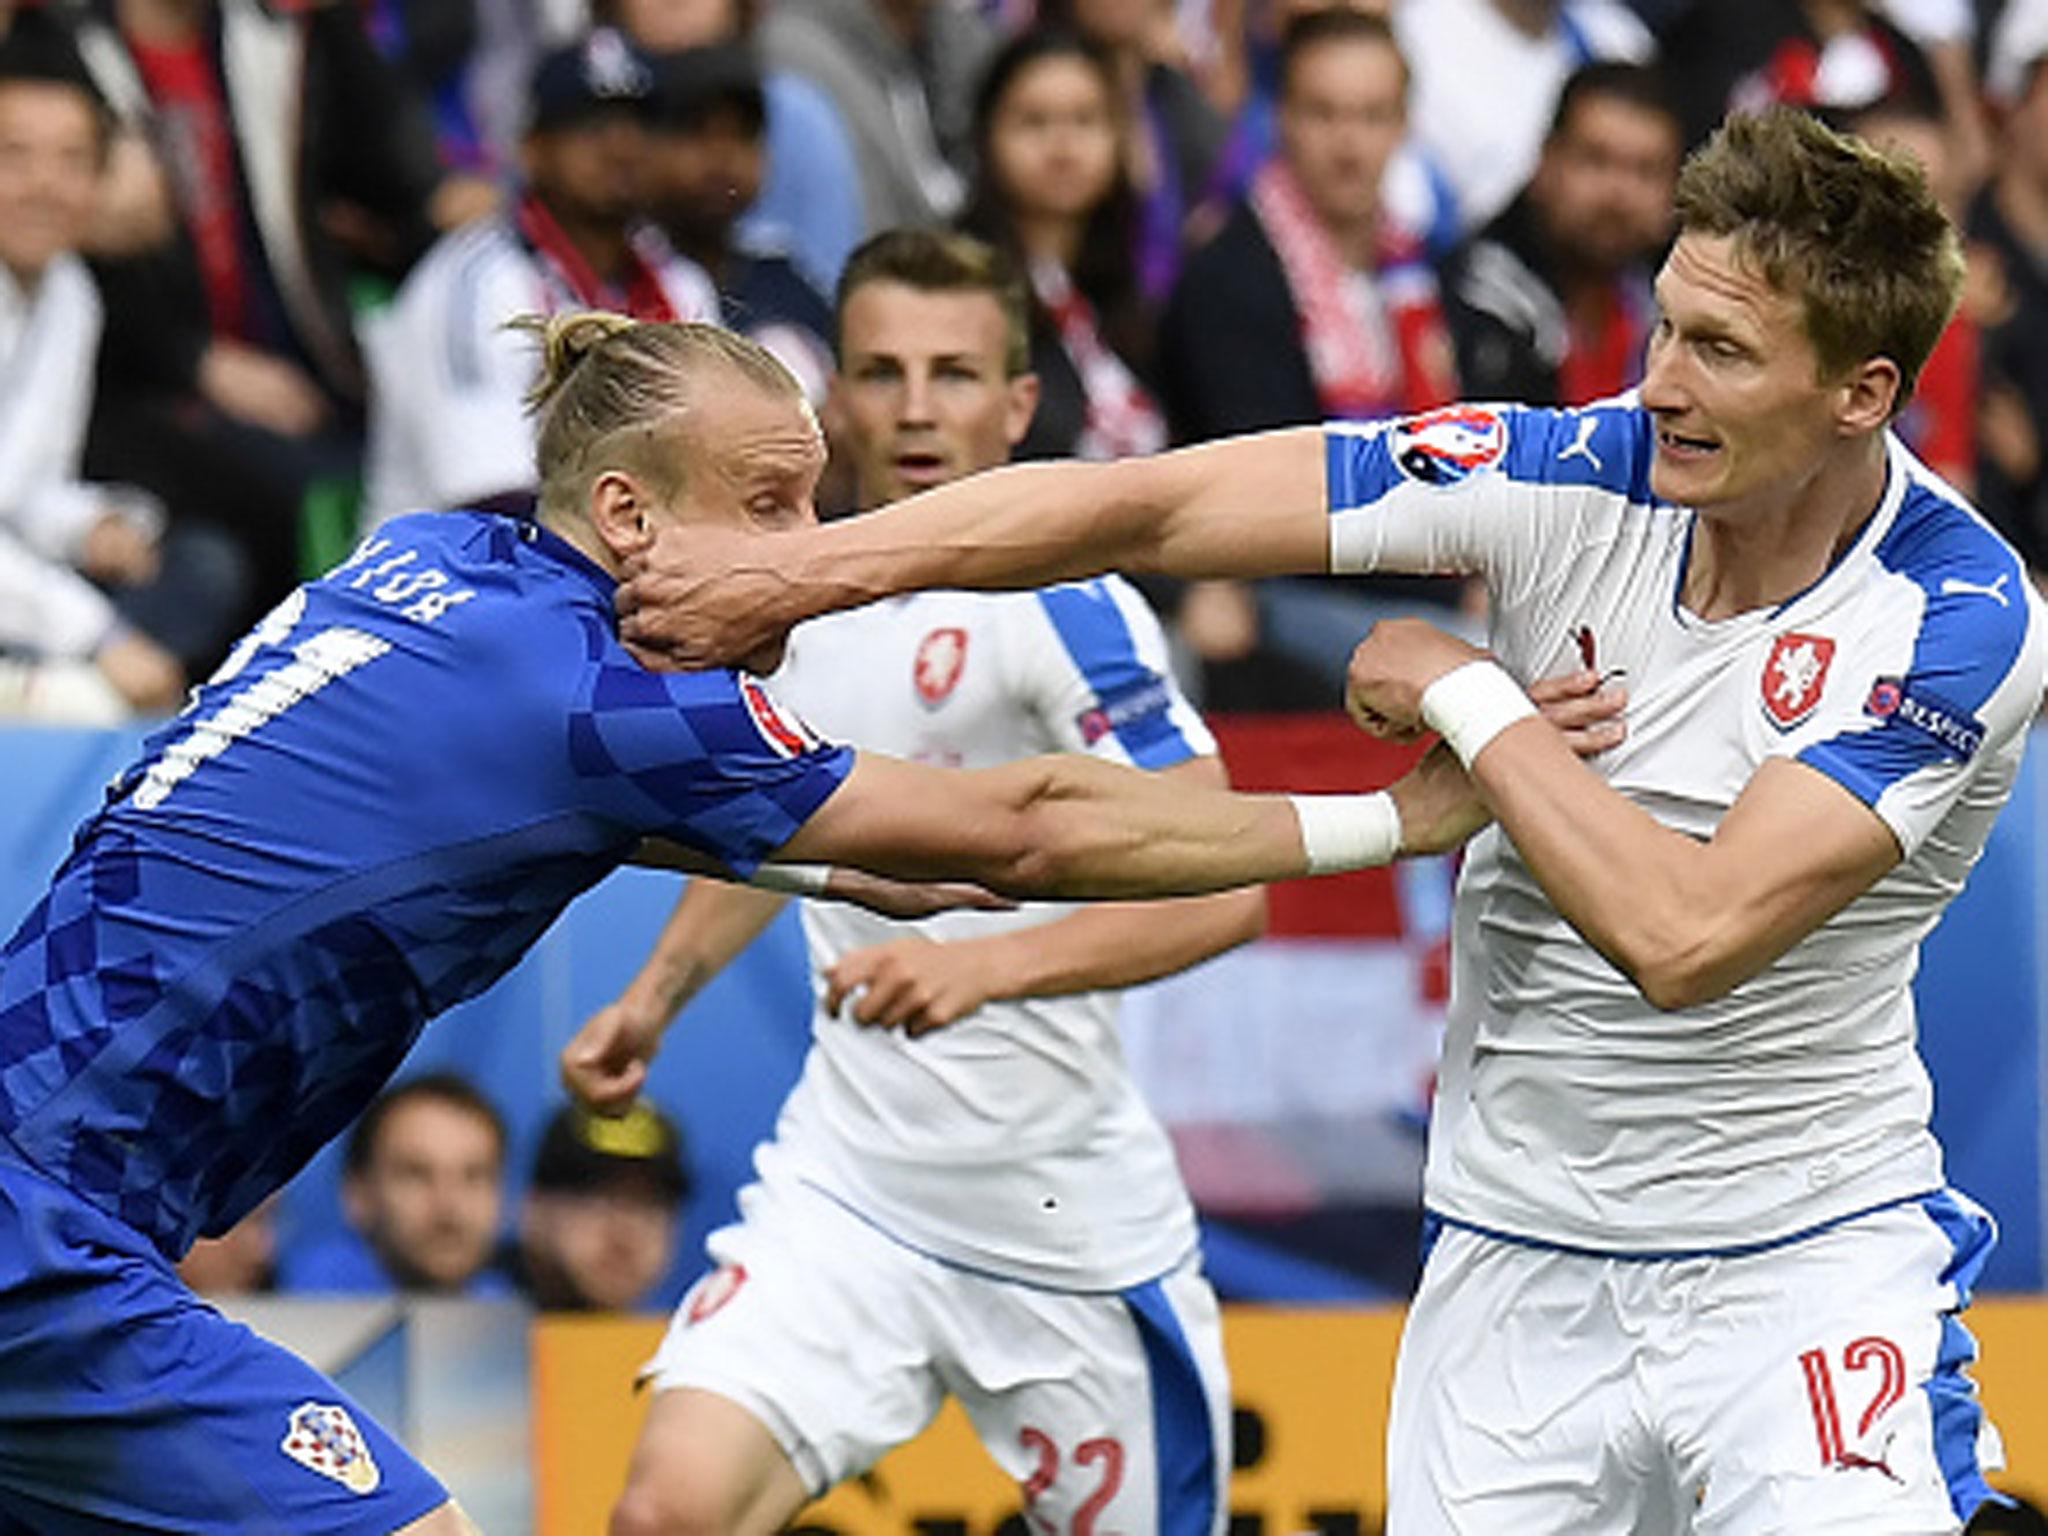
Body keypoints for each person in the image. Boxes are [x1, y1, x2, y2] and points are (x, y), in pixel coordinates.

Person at [617, 108, 2043, 1531]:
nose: (1658, 383)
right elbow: (1151, 507)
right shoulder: (1564, 467)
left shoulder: (1956, 619)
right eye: (1665, 327)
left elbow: (1687, 933)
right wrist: (803, 577)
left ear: (1863, 394)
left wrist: (1465, 691)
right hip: (1514, 1262)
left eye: (1720, 353)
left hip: (1800, 1264)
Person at [0, 306, 1490, 1533]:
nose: (814, 546)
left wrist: (827, 885)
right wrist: (1397, 821)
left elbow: (822, 851)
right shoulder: (614, 704)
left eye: (815, 499)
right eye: (771, 505)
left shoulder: (431, 561)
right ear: (630, 513)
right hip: (44, 1237)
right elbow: (1025, 827)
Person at [576, 227, 1260, 1536]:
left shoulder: (1069, 604)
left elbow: (1223, 885)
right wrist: (654, 996)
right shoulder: (784, 606)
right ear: (835, 401)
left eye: (955, 374)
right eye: (883, 371)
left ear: (1017, 405)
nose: (916, 406)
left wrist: (983, 966)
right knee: (665, 1514)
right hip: (851, 1190)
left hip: (1064, 1220)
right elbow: (789, 827)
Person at [363, 27, 720, 527]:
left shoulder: (682, 285)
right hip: (455, 576)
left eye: (638, 125)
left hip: (627, 568)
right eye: (591, 125)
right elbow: (488, 497)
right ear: (531, 149)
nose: (621, 147)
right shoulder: (476, 281)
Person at [959, 29, 1167, 465]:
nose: (1062, 147)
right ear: (986, 133)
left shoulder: (1125, 290)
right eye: (1034, 122)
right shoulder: (957, 286)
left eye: (1085, 120)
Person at [1440, 60, 1681, 408]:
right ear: (1546, 163)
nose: (1619, 195)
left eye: (1646, 171)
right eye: (1597, 161)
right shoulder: (1472, 301)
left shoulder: (1676, 307)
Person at [644, 42, 835, 405]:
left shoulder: (786, 280)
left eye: (742, 134)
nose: (722, 157)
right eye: (696, 132)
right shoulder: (623, 281)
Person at [280, 1074, 514, 1296]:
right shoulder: (295, 1309)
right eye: (416, 1174)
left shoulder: (508, 1309)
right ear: (358, 1195)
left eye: (474, 1176)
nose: (449, 1204)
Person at [514, 1098, 689, 1311]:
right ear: (535, 1210)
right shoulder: (474, 1329)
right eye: (597, 1200)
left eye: (650, 1205)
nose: (625, 1233)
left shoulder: (692, 1339)